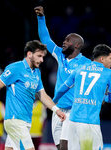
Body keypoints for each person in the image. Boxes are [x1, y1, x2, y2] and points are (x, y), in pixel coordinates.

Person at [0, 40, 66, 150]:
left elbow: (42, 95)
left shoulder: (36, 72)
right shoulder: (15, 68)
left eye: (42, 57)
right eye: (39, 56)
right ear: (29, 54)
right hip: (15, 121)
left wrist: (56, 110)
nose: (42, 60)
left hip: (25, 121)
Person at [34, 6, 91, 150]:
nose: (64, 42)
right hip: (57, 110)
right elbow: (45, 39)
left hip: (74, 110)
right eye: (64, 40)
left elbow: (100, 79)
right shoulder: (60, 55)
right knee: (60, 147)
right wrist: (41, 18)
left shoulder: (86, 64)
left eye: (68, 40)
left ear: (77, 45)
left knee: (66, 145)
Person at [53, 44, 111, 150]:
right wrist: (103, 99)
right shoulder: (108, 73)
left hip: (73, 121)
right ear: (102, 59)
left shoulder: (79, 69)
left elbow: (63, 88)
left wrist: (54, 100)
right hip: (90, 122)